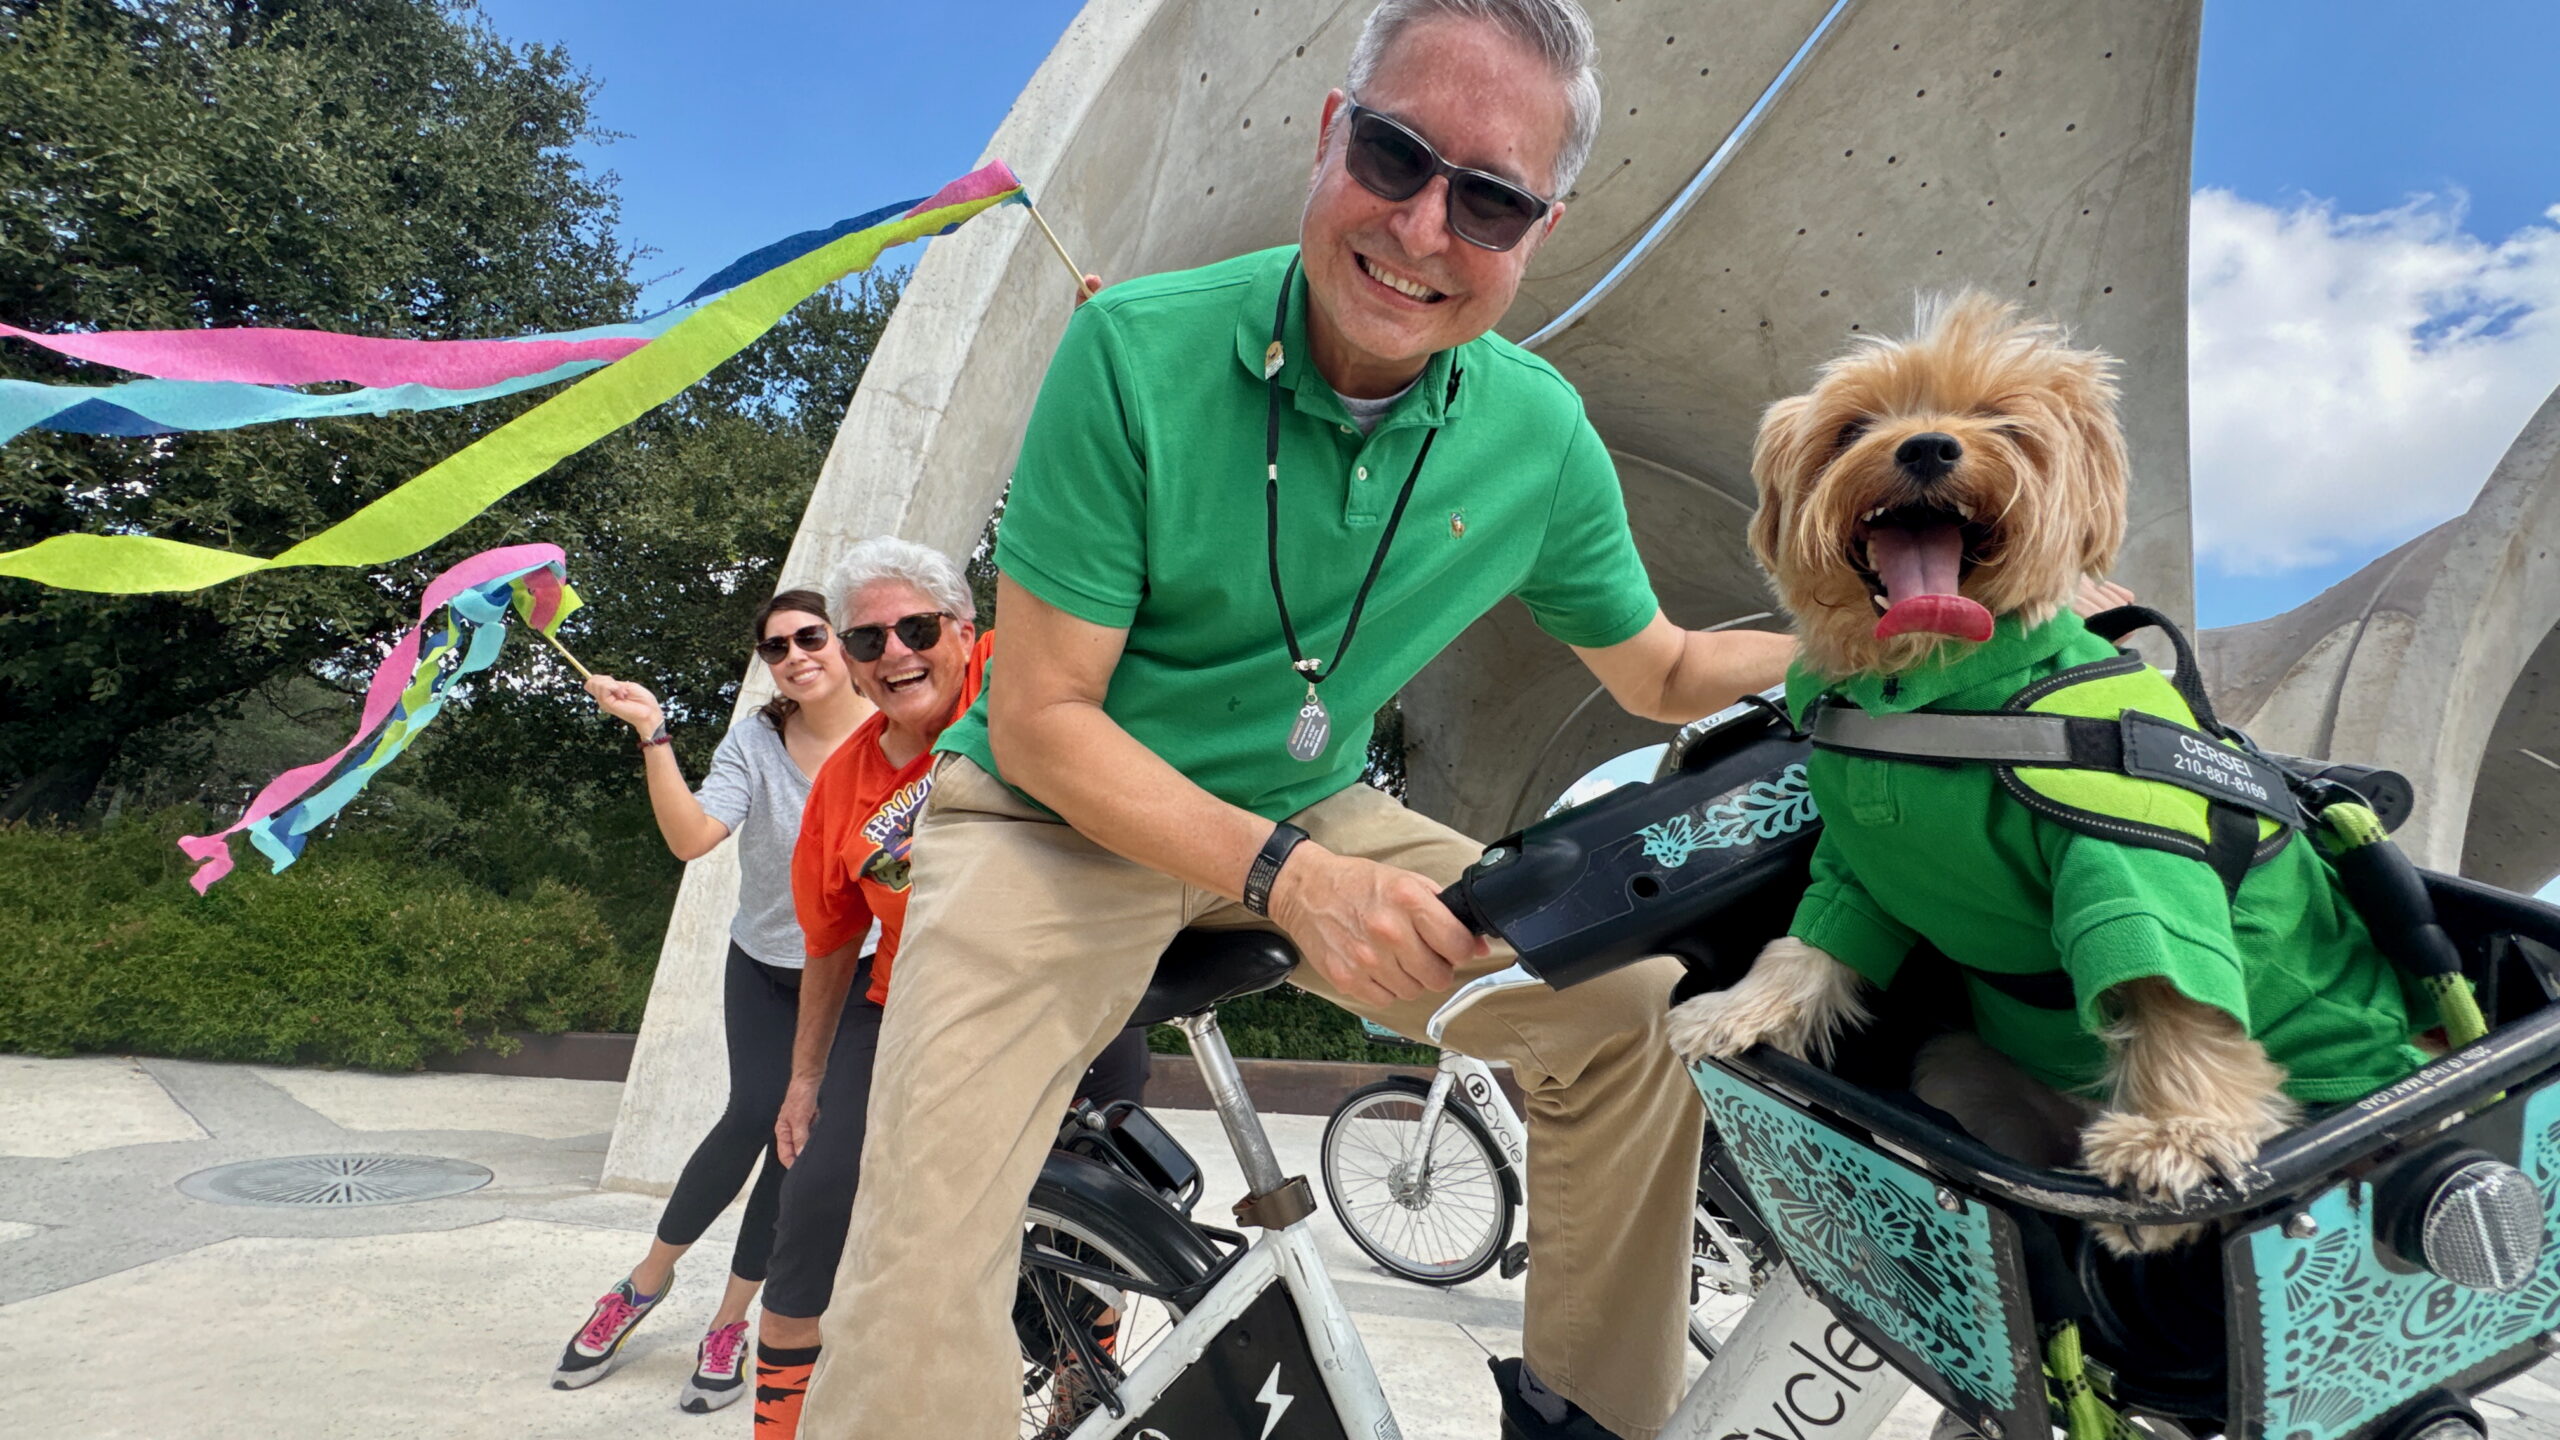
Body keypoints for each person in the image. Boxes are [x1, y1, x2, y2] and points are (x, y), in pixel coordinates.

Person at [798, 4, 1804, 1438]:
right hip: (1053, 819)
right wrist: (1286, 878)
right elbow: (1039, 720)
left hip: (1312, 805)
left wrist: (1862, 645)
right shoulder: (1136, 350)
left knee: (1634, 1023)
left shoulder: (1543, 432)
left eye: (1490, 197)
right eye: (1396, 154)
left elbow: (1656, 668)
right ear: (1333, 132)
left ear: (1541, 227)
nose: (1423, 226)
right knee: (910, 1276)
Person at [744, 537, 1152, 1437]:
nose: (894, 653)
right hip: (910, 1008)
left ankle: (1085, 1369)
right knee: (813, 1204)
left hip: (1067, 981)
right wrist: (804, 1082)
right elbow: (830, 942)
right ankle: (781, 1423)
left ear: (967, 631)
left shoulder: (1020, 683)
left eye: (917, 627)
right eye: (867, 641)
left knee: (1082, 1201)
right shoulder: (844, 787)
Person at [550, 590, 874, 1413]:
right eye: (777, 648)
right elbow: (694, 838)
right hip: (766, 962)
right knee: (754, 1111)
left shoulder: (893, 735)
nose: (797, 655)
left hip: (861, 976)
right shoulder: (757, 741)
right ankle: (642, 1284)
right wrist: (653, 733)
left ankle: (731, 1322)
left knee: (798, 1146)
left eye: (812, 637)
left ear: (841, 644)